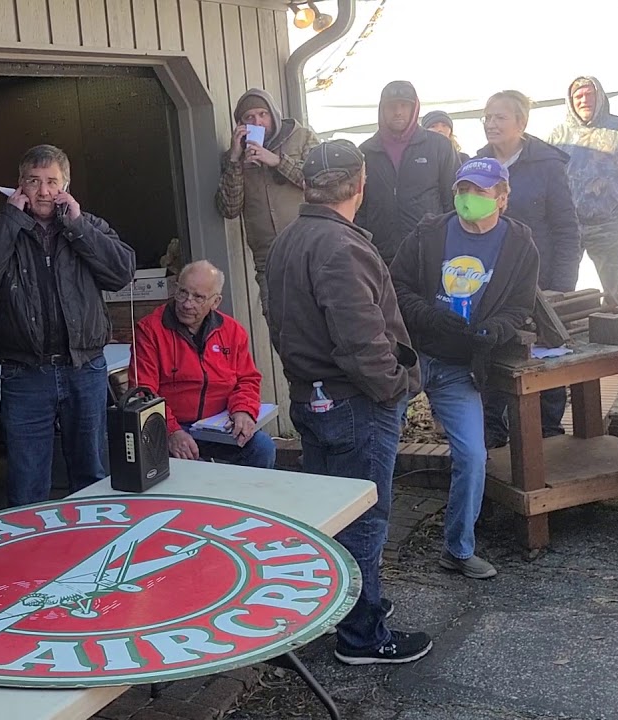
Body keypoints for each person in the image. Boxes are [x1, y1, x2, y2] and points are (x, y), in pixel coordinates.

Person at [265, 139, 430, 665]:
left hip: (313, 399)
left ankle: (336, 615)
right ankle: (363, 637)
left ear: (310, 185)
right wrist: (397, 388)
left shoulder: (291, 239)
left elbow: (284, 325)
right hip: (352, 404)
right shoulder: (340, 246)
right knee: (362, 520)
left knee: (328, 520)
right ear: (361, 183)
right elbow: (360, 343)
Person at [390, 158, 539, 579]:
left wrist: (496, 329)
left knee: (472, 456)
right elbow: (395, 286)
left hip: (462, 367)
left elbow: (520, 306)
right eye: (462, 189)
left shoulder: (520, 246)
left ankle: (457, 548)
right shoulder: (430, 233)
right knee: (381, 447)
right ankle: (364, 546)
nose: (468, 198)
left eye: (479, 191)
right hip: (415, 356)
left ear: (503, 199)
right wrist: (427, 316)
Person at [0, 145, 135, 506]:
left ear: (66, 186)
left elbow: (122, 272)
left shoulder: (88, 226)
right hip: (25, 374)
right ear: (19, 186)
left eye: (52, 182)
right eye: (33, 182)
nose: (43, 191)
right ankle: (35, 557)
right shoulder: (4, 231)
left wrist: (78, 226)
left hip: (84, 368)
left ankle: (93, 548)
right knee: (28, 482)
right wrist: (10, 221)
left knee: (92, 473)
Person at [475, 90, 580, 446]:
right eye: (487, 117)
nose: (491, 123)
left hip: (542, 283)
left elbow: (567, 228)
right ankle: (495, 446)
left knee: (545, 364)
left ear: (521, 123)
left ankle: (549, 442)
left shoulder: (547, 165)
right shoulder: (478, 166)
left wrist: (563, 286)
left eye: (499, 117)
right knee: (492, 364)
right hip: (490, 286)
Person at [130, 260, 277, 468]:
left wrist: (243, 410)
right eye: (182, 292)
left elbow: (247, 379)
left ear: (215, 302)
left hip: (219, 427)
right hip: (170, 426)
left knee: (262, 448)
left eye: (198, 297)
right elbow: (142, 394)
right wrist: (171, 431)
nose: (187, 303)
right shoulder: (150, 330)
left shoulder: (233, 331)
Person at [548, 76, 618, 307]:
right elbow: (548, 181)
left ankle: (617, 340)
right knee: (559, 293)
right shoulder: (557, 136)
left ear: (600, 97)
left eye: (590, 94)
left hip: (610, 227)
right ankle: (562, 340)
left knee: (615, 294)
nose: (584, 100)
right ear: (570, 101)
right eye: (578, 96)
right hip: (568, 228)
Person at [216, 87, 319, 304]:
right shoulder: (235, 156)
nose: (258, 122)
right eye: (249, 117)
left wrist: (277, 161)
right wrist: (235, 160)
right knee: (277, 321)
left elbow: (318, 183)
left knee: (317, 316)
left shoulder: (302, 137)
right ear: (241, 124)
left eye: (263, 114)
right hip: (268, 257)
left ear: (273, 114)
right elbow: (229, 209)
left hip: (309, 248)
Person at [355, 81, 458, 264]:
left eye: (404, 105)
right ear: (382, 110)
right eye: (392, 106)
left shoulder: (438, 146)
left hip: (429, 249)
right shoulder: (366, 151)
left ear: (414, 109)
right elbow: (359, 205)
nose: (398, 112)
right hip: (380, 253)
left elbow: (452, 197)